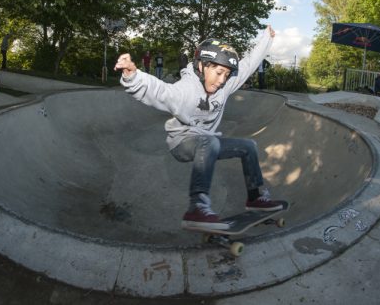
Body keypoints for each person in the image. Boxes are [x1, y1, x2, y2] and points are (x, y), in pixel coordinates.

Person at [114, 26, 287, 230]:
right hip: (182, 143)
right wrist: (133, 77)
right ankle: (197, 207)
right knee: (210, 141)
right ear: (202, 66)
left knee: (248, 145)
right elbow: (159, 91)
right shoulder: (186, 90)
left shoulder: (225, 85)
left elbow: (248, 65)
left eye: (227, 74)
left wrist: (266, 39)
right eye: (219, 72)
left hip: (207, 143)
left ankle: (256, 197)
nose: (222, 80)